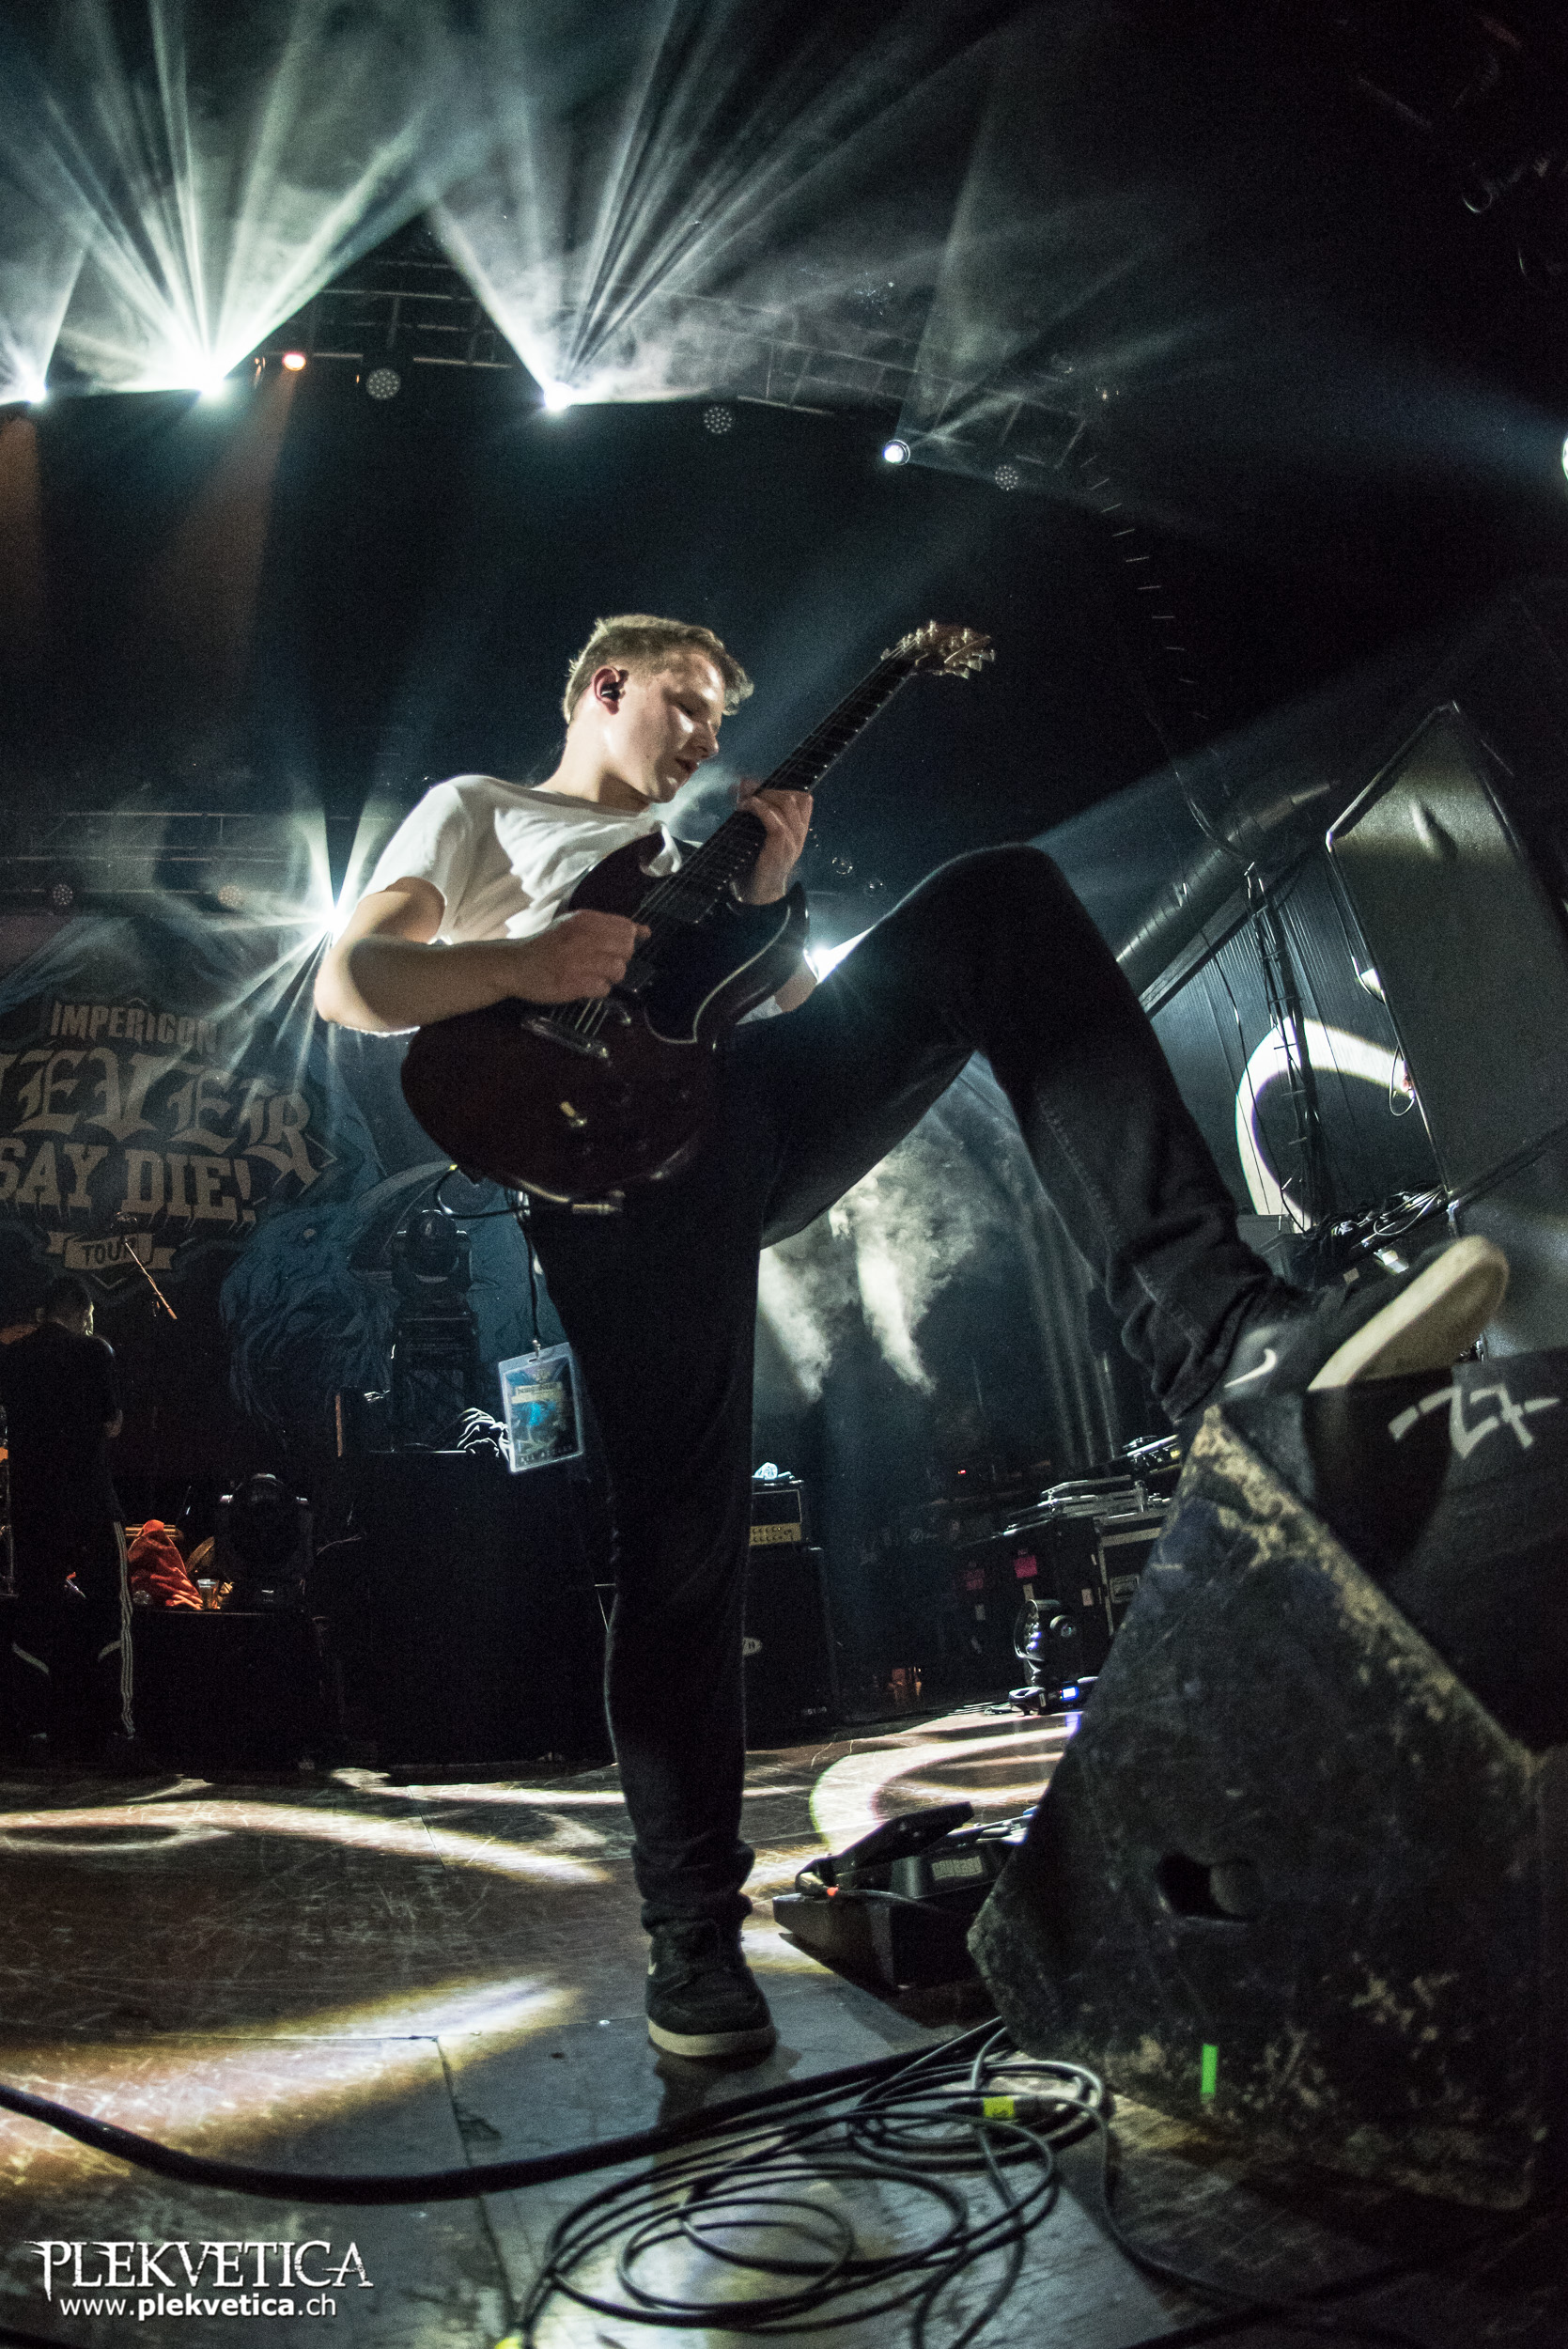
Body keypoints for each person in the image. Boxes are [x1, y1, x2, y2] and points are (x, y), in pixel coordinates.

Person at [315, 613, 1507, 2060]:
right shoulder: (483, 813)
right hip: (608, 1174)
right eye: (684, 706)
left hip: (747, 1104)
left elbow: (786, 1006)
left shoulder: (694, 853)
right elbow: (355, 983)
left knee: (999, 900)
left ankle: (1222, 1335)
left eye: (719, 720)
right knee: (680, 1544)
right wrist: (527, 960)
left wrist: (774, 896)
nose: (704, 741)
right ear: (605, 684)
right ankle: (692, 1938)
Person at [0, 1273, 131, 1763]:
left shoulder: (13, 1356)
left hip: (33, 1506)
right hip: (89, 1502)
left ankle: (29, 1732)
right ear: (81, 1312)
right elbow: (111, 1424)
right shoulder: (95, 1350)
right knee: (113, 1612)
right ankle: (119, 1731)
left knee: (34, 1612)